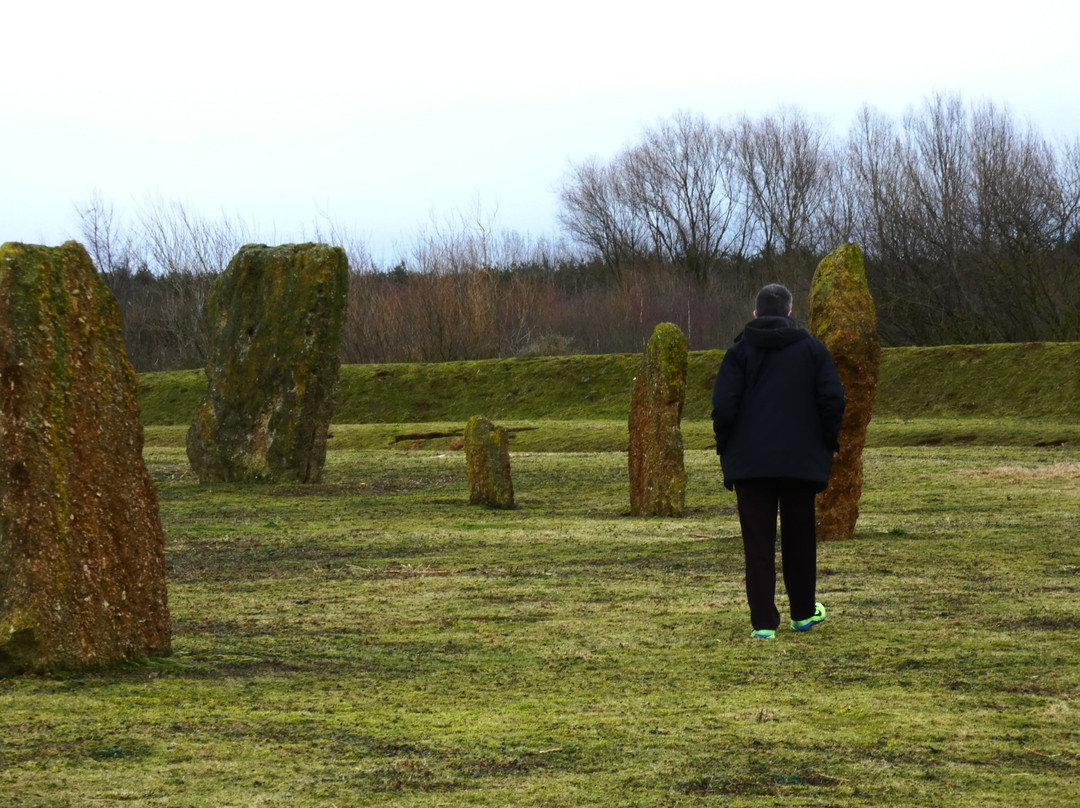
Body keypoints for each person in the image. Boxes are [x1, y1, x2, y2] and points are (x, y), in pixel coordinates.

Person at [711, 284, 846, 639]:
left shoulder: (738, 352)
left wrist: (725, 446)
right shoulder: (813, 351)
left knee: (757, 542)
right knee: (800, 537)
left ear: (755, 314)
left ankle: (763, 624)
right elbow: (833, 400)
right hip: (800, 462)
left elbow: (724, 406)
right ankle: (802, 613)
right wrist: (825, 442)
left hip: (751, 464)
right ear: (790, 312)